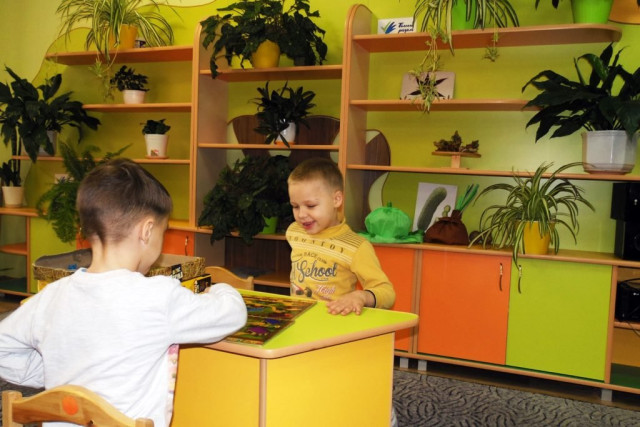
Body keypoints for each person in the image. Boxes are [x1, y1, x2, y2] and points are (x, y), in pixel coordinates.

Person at [0, 158, 247, 426]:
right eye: (163, 232)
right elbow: (231, 315)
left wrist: (54, 370)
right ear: (147, 231)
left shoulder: (52, 296)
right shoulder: (158, 296)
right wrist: (221, 288)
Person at [287, 157, 396, 315]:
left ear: (336, 199)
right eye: (295, 206)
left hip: (335, 325)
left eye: (311, 205)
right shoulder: (294, 232)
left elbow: (387, 292)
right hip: (298, 321)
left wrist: (360, 296)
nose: (301, 214)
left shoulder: (356, 247)